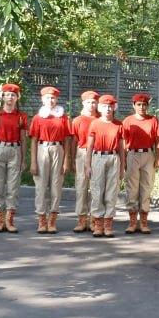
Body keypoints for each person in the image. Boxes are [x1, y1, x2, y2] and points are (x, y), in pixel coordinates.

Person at [0, 83, 28, 233]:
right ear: (3, 97)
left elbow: (23, 140)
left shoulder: (21, 116)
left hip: (15, 150)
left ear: (17, 98)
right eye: (7, 94)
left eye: (13, 95)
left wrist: (23, 159)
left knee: (13, 186)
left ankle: (9, 220)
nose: (10, 97)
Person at [29, 86, 71, 234]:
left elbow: (67, 140)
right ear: (42, 99)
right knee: (40, 186)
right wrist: (33, 161)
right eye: (47, 97)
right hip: (42, 149)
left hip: (58, 149)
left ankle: (52, 220)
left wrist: (66, 160)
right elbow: (33, 140)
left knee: (56, 186)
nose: (51, 100)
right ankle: (41, 220)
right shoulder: (38, 117)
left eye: (53, 98)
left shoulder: (63, 117)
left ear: (57, 99)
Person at [85, 94, 125, 238]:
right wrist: (88, 165)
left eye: (110, 106)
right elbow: (89, 146)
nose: (107, 109)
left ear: (114, 108)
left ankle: (108, 224)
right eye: (104, 106)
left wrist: (122, 168)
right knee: (97, 191)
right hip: (98, 157)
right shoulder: (95, 123)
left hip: (113, 157)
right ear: (100, 107)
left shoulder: (119, 125)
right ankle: (98, 224)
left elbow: (122, 148)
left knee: (111, 192)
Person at [121, 93, 159, 234]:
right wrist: (124, 159)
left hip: (148, 154)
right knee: (132, 188)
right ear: (133, 105)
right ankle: (132, 221)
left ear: (148, 106)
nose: (142, 107)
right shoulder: (128, 121)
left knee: (146, 187)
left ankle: (143, 222)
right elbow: (123, 142)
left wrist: (158, 157)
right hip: (132, 154)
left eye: (144, 104)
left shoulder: (153, 120)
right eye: (138, 104)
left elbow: (158, 141)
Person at [70, 90, 99, 233]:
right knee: (81, 186)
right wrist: (72, 159)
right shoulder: (77, 120)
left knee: (96, 187)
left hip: (97, 154)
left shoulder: (101, 119)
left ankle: (94, 219)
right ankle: (81, 219)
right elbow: (74, 140)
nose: (91, 105)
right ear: (83, 103)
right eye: (88, 102)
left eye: (94, 102)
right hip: (82, 153)